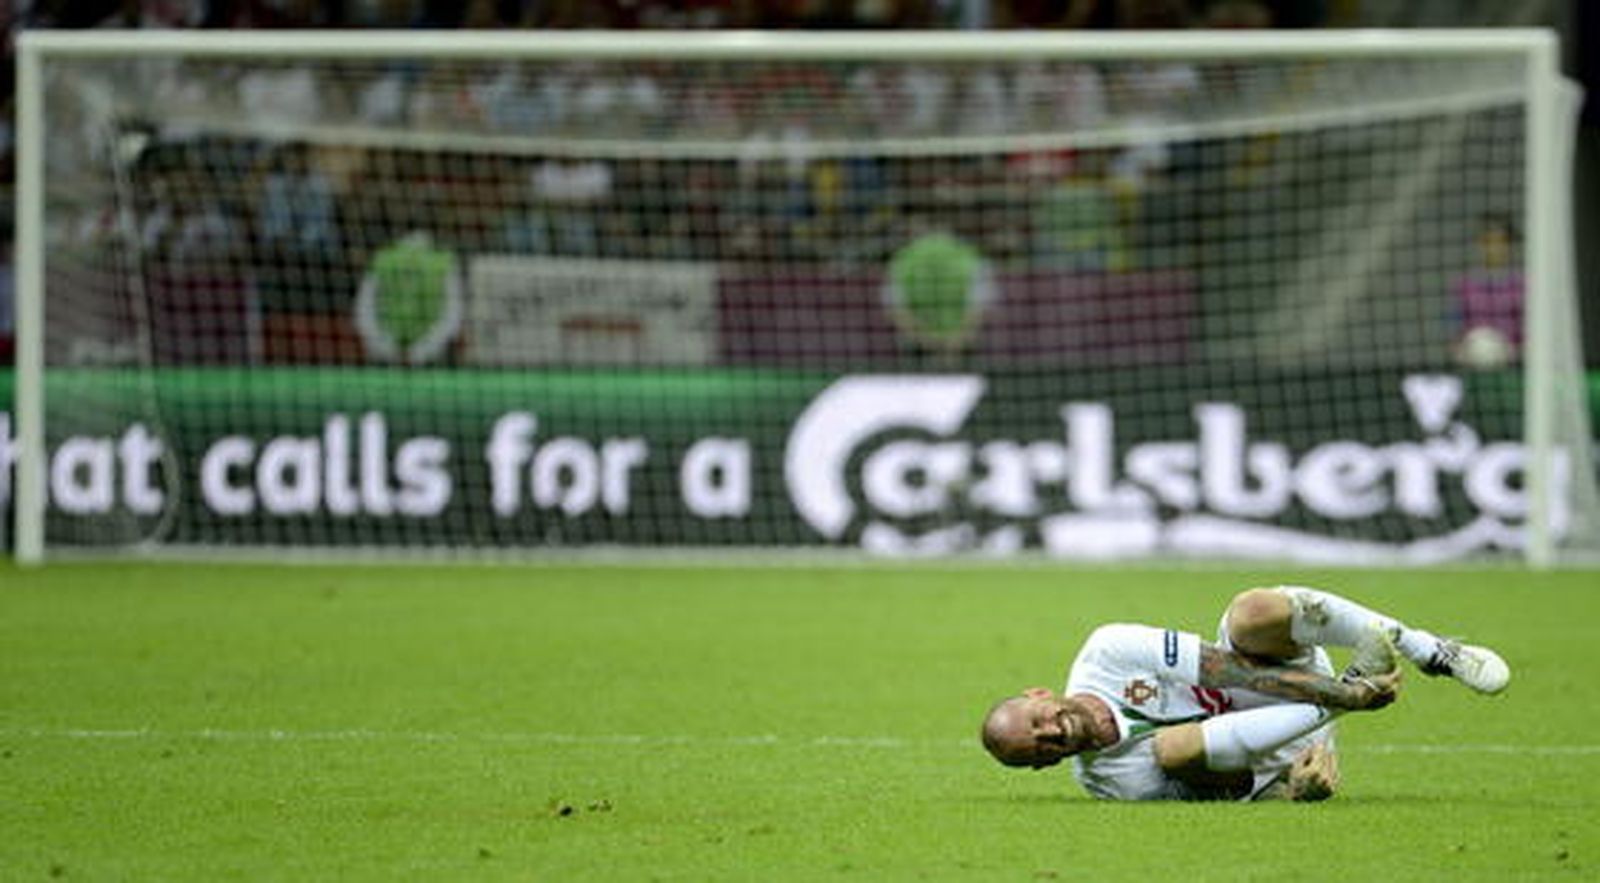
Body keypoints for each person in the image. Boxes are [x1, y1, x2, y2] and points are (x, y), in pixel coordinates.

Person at [981, 585, 1510, 802]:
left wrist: (1344, 697)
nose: (1052, 731)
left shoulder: (1107, 651)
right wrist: (1297, 791)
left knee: (1253, 611)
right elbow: (1226, 788)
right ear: (1044, 767)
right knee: (1173, 750)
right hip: (1284, 747)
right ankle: (1345, 690)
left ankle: (1431, 651)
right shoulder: (1110, 782)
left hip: (1289, 682)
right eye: (1041, 747)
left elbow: (1225, 670)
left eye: (1039, 719)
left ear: (1039, 693)